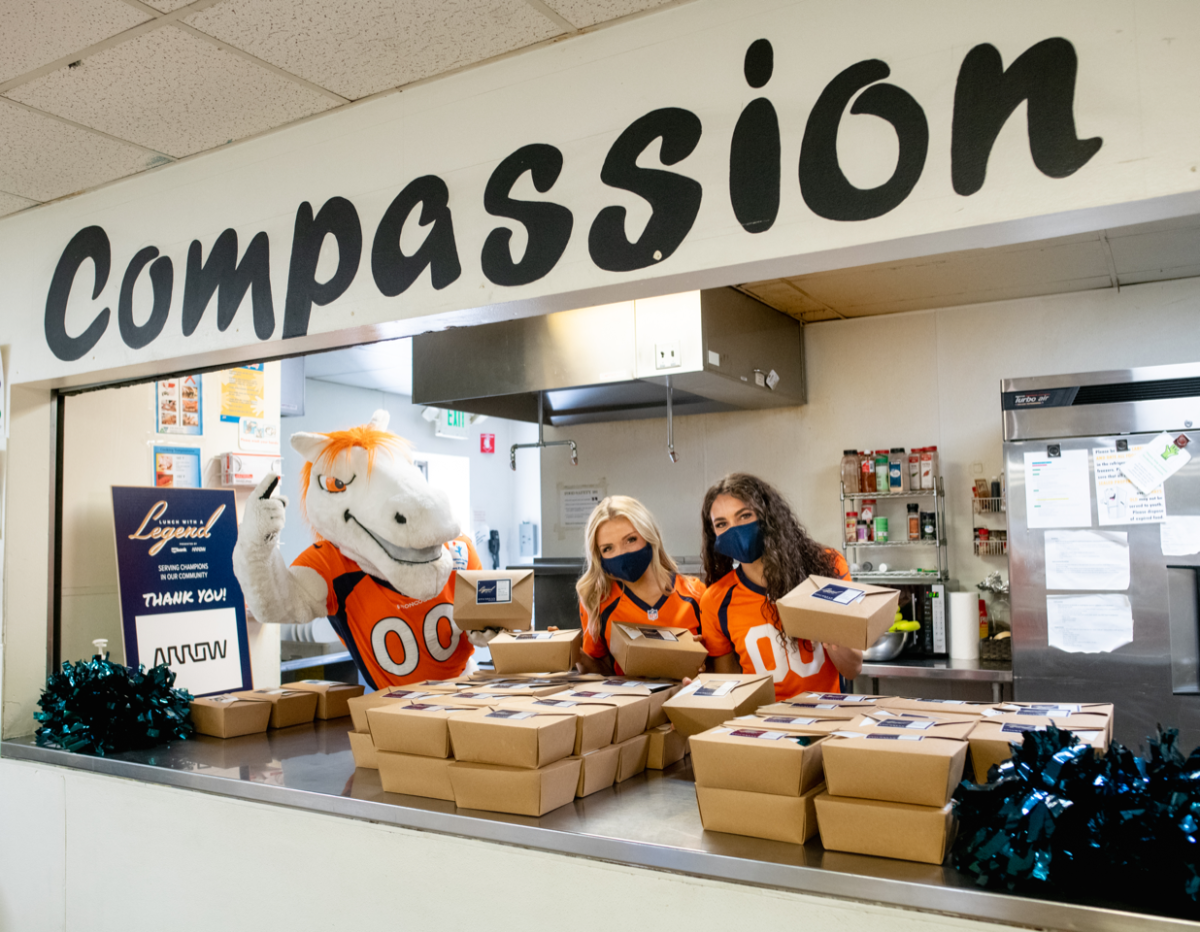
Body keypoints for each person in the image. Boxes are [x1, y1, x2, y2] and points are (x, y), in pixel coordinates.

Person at [698, 473, 862, 699]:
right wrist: (699, 691)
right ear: (713, 534)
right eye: (722, 524)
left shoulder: (828, 567)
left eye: (745, 516)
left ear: (769, 517)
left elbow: (852, 668)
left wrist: (829, 630)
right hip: (761, 729)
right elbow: (729, 691)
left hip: (827, 722)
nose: (734, 530)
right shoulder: (715, 600)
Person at [576, 495, 707, 676]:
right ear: (599, 557)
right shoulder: (597, 602)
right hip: (629, 702)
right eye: (608, 548)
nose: (621, 554)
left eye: (630, 540)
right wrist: (571, 651)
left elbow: (724, 665)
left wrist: (703, 666)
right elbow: (601, 673)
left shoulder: (696, 594)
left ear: (649, 536)